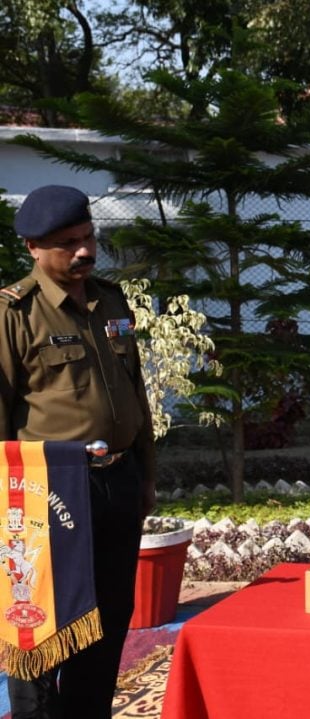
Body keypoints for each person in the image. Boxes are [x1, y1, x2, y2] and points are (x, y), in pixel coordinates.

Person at [1, 185, 156, 718]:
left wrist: (146, 476)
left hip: (116, 481)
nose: (85, 250)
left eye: (88, 236)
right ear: (34, 249)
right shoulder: (15, 315)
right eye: (69, 243)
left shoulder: (110, 301)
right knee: (40, 626)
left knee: (108, 620)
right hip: (47, 494)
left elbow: (136, 398)